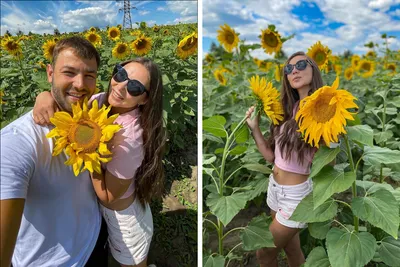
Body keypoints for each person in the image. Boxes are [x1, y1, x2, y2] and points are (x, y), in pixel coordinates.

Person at [32, 57, 166, 267]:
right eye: (120, 74)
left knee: (130, 261)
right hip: (121, 202)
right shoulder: (101, 101)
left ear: (144, 100)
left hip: (123, 219)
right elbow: (67, 104)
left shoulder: (128, 138)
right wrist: (44, 96)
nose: (120, 87)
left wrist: (90, 153)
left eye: (134, 87)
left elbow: (108, 197)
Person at [0, 36, 108, 267]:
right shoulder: (17, 143)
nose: (80, 84)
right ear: (50, 73)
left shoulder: (93, 118)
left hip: (93, 242)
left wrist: (45, 95)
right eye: (69, 72)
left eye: (89, 75)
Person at [246, 51, 335, 267]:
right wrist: (255, 128)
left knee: (264, 254)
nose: (294, 70)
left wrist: (330, 137)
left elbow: (329, 163)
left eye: (301, 64)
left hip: (297, 197)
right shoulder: (289, 109)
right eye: (288, 68)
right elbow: (271, 157)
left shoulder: (324, 110)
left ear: (313, 68)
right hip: (275, 189)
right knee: (291, 249)